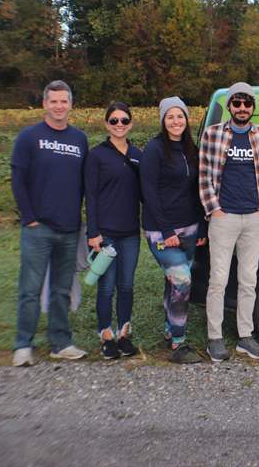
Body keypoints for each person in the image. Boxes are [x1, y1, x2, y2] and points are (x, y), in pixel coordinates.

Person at [10, 80, 89, 366]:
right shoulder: (29, 137)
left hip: (69, 229)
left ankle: (61, 342)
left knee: (61, 290)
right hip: (38, 228)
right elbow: (18, 180)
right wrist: (29, 218)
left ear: (70, 104)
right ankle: (23, 345)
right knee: (30, 290)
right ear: (45, 104)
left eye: (63, 101)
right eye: (53, 101)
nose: (59, 106)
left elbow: (84, 183)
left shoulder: (79, 139)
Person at [199, 82, 259, 362]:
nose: (242, 108)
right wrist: (214, 209)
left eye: (247, 103)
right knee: (218, 280)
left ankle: (245, 337)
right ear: (230, 106)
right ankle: (215, 339)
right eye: (237, 103)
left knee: (248, 280)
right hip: (224, 217)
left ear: (253, 107)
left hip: (253, 219)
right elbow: (204, 175)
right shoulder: (213, 135)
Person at [141, 97, 207, 364]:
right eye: (170, 117)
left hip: (190, 226)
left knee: (175, 282)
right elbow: (149, 193)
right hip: (161, 231)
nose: (176, 121)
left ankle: (170, 331)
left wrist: (201, 224)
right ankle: (179, 342)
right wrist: (166, 230)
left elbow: (196, 190)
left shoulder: (192, 149)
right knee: (182, 281)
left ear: (186, 119)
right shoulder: (154, 149)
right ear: (162, 121)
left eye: (180, 116)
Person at [85, 101, 143, 359]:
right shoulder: (96, 155)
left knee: (127, 285)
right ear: (106, 124)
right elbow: (91, 195)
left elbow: (147, 192)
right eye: (114, 120)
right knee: (106, 287)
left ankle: (124, 334)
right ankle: (106, 335)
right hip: (105, 232)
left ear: (130, 123)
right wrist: (93, 232)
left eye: (124, 120)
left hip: (130, 232)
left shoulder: (138, 154)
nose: (119, 125)